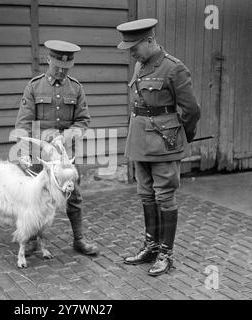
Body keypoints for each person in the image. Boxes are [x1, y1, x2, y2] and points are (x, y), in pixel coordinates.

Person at [116, 19, 201, 276]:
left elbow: (191, 111)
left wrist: (179, 139)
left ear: (150, 40)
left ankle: (166, 253)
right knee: (145, 194)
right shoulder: (140, 65)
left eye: (135, 46)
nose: (131, 52)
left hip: (165, 143)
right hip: (140, 142)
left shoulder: (174, 69)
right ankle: (151, 247)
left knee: (165, 195)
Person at [14, 40, 99, 256]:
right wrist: (24, 152)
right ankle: (32, 239)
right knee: (35, 197)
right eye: (57, 66)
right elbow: (24, 123)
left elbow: (82, 121)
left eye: (66, 67)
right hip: (39, 156)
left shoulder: (76, 88)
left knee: (74, 195)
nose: (61, 71)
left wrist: (64, 137)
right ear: (48, 59)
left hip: (64, 156)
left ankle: (79, 239)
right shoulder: (34, 87)